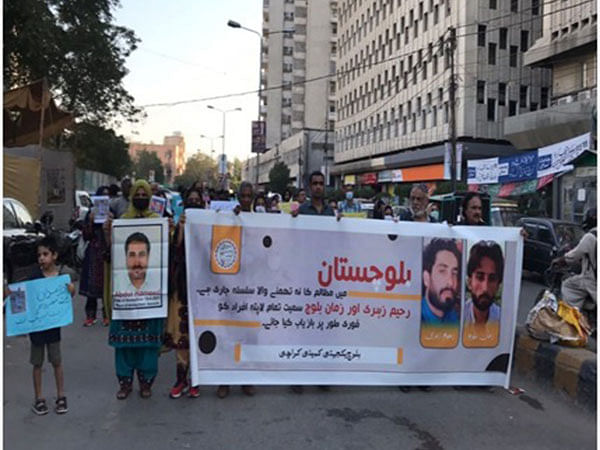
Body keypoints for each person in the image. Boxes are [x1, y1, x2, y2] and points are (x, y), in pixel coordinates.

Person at [104, 179, 165, 400]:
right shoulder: (122, 222)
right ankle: (125, 382)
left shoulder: (157, 221)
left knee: (149, 347)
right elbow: (111, 254)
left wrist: (173, 231)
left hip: (151, 296)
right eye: (137, 194)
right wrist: (107, 232)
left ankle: (146, 382)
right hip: (125, 296)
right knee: (124, 346)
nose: (140, 197)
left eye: (144, 194)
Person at [26, 236, 75, 415]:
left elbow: (68, 297)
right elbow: (23, 297)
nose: (41, 258)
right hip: (37, 328)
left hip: (53, 327)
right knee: (37, 363)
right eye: (39, 255)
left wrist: (71, 290)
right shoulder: (33, 277)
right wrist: (9, 294)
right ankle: (39, 398)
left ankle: (61, 395)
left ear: (54, 255)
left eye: (45, 254)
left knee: (56, 361)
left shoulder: (61, 278)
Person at [164, 187, 204, 399]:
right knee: (181, 336)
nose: (195, 204)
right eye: (191, 201)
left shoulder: (209, 225)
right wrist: (179, 228)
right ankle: (181, 379)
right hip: (182, 286)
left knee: (199, 336)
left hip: (204, 289)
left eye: (198, 201)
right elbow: (176, 249)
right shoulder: (180, 224)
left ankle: (196, 380)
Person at [554, 208, 597, 309]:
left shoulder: (591, 236)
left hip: (593, 280)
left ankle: (574, 316)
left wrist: (561, 260)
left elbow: (573, 256)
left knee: (568, 285)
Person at [80, 186, 110, 327]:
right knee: (91, 286)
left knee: (107, 284)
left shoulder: (112, 213)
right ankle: (90, 316)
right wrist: (91, 222)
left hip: (107, 251)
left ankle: (107, 315)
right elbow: (86, 236)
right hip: (93, 253)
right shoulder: (90, 214)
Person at [421, 238, 461, 325]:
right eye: (442, 271)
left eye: (454, 273)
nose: (450, 282)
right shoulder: (415, 316)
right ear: (426, 278)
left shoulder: (455, 318)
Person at [464, 241, 503, 326]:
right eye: (480, 277)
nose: (485, 288)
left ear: (498, 285)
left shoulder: (503, 320)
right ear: (470, 282)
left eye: (492, 279)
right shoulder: (456, 318)